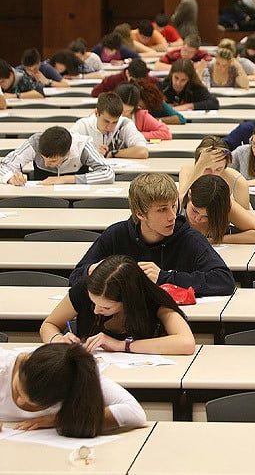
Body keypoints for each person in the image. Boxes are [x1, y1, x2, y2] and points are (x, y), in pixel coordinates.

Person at [69, 172, 236, 297]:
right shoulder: (116, 235)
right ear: (140, 213)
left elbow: (224, 281)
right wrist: (94, 270)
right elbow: (76, 276)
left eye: (173, 206)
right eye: (162, 209)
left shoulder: (190, 239)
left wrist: (165, 277)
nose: (172, 215)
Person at [42, 255, 196, 355]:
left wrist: (122, 345)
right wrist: (56, 339)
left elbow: (186, 343)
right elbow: (49, 324)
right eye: (93, 302)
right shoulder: (85, 290)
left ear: (128, 300)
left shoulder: (153, 301)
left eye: (106, 308)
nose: (96, 310)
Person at [0, 343, 146, 437]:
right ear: (27, 358)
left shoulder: (77, 374)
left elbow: (135, 412)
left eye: (35, 405)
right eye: (17, 390)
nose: (19, 401)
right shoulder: (3, 364)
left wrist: (58, 419)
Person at [0, 125, 114, 185]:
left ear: (68, 152)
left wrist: (66, 179)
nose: (46, 164)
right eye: (43, 158)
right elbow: (3, 166)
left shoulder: (83, 146)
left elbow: (108, 173)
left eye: (53, 161)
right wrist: (10, 178)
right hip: (41, 196)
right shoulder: (35, 142)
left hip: (76, 196)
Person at [183, 174, 255, 245]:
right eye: (194, 210)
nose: (197, 219)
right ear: (190, 194)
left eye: (206, 216)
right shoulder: (174, 206)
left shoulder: (224, 206)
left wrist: (214, 240)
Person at [179, 136, 250, 210]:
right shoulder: (187, 171)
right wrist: (197, 170)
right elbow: (179, 205)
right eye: (207, 169)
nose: (213, 174)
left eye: (218, 169)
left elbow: (246, 217)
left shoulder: (238, 182)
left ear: (225, 166)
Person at [70, 92, 149, 159]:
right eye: (106, 121)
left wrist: (113, 153)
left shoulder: (125, 124)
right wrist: (91, 151)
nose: (110, 128)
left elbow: (143, 151)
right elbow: (65, 151)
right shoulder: (83, 125)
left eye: (114, 122)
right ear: (97, 113)